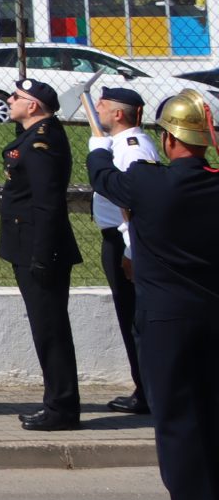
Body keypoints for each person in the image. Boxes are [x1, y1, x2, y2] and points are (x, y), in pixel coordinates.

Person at [85, 90, 219, 500]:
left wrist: (100, 143)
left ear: (168, 140)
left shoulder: (148, 183)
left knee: (179, 427)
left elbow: (102, 176)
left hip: (167, 323)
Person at [0, 76, 84, 431]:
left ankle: (61, 408)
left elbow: (48, 204)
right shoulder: (35, 136)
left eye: (16, 96)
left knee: (50, 330)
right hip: (31, 245)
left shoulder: (41, 143)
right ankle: (58, 403)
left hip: (39, 248)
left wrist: (42, 256)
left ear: (32, 105)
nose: (9, 100)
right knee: (46, 329)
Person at [89, 86, 161, 415]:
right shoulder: (118, 144)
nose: (97, 109)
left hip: (127, 242)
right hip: (118, 240)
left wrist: (131, 250)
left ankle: (147, 392)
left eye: (102, 105)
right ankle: (143, 388)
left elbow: (139, 203)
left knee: (135, 318)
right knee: (128, 316)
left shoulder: (133, 148)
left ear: (118, 114)